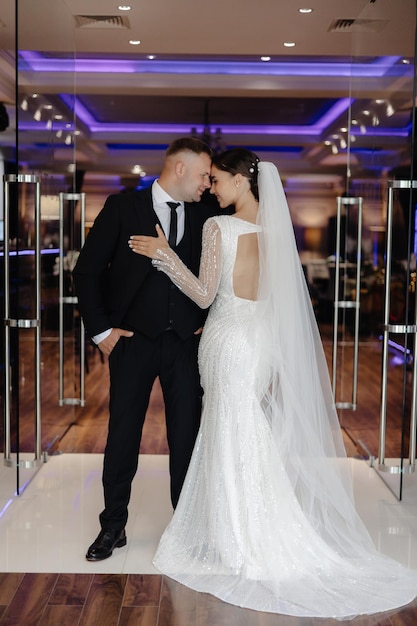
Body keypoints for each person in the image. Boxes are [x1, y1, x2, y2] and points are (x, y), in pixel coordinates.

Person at [128, 148, 417, 619]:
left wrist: (163, 255)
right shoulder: (278, 233)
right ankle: (252, 526)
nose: (213, 189)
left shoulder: (218, 228)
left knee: (227, 430)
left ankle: (239, 538)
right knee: (243, 430)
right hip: (256, 345)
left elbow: (203, 293)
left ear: (243, 181)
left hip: (226, 341)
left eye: (218, 180)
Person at [73, 137, 223, 562]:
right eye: (202, 175)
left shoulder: (208, 215)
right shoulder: (122, 208)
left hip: (184, 347)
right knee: (122, 437)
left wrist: (207, 325)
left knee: (186, 439)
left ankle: (187, 530)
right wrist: (102, 331)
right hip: (132, 344)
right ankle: (112, 526)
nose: (207, 185)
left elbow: (218, 281)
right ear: (179, 169)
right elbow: (86, 272)